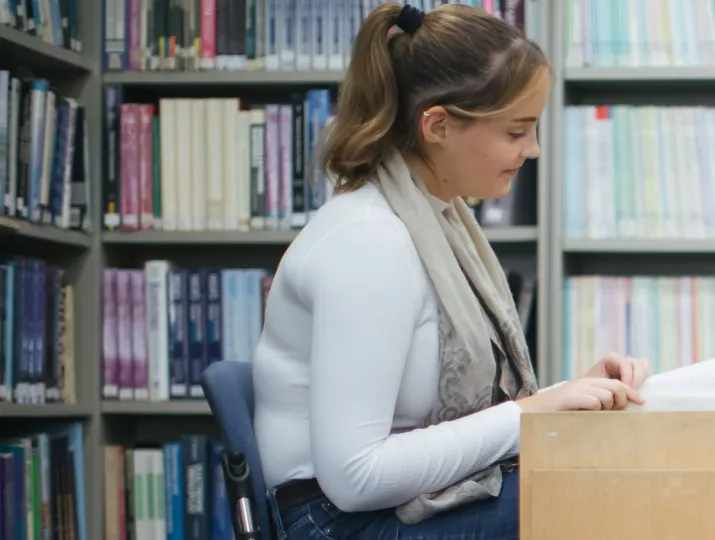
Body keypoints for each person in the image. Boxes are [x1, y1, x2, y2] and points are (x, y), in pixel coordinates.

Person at [251, 4, 650, 539]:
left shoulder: (437, 222)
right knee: (614, 506)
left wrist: (570, 394)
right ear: (438, 124)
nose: (532, 150)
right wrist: (530, 415)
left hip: (385, 506)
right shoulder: (371, 243)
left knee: (623, 484)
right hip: (334, 521)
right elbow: (355, 476)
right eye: (516, 131)